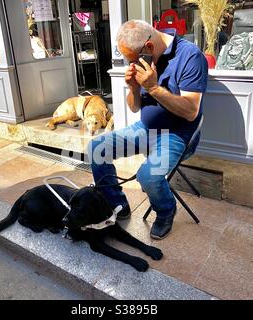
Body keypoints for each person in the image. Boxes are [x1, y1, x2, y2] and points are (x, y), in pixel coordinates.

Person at [88, 20, 208, 240]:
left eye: (132, 59)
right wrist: (134, 88)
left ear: (149, 48)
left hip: (177, 135)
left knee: (149, 175)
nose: (130, 64)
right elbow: (134, 107)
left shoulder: (191, 57)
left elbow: (191, 112)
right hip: (145, 128)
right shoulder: (144, 60)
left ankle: (165, 210)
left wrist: (153, 87)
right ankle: (117, 204)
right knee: (97, 147)